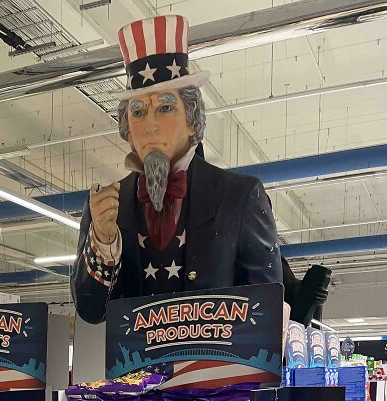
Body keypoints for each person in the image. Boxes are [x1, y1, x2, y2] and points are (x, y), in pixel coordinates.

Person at [70, 14, 282, 324]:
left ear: (193, 120)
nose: (150, 125)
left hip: (212, 368)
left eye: (165, 107)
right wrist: (102, 242)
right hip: (135, 371)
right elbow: (91, 311)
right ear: (126, 129)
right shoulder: (104, 209)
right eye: (138, 112)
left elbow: (266, 309)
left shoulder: (240, 196)